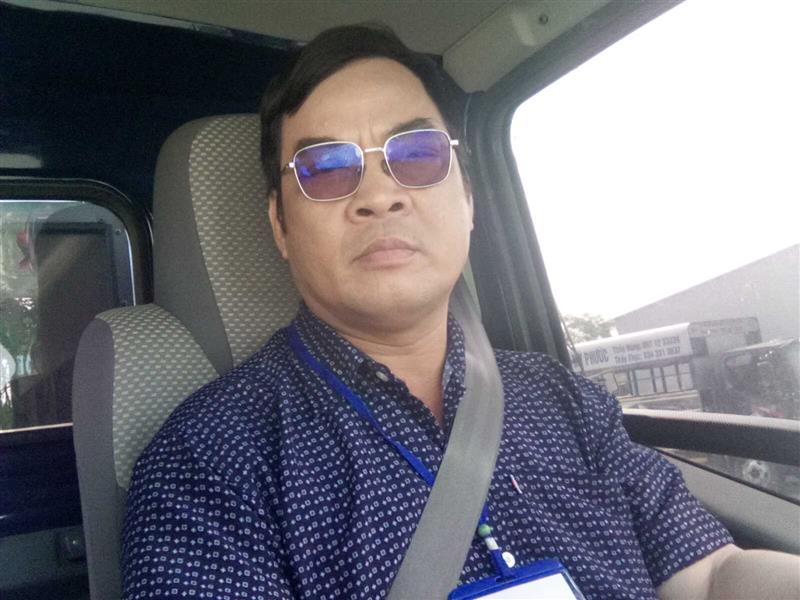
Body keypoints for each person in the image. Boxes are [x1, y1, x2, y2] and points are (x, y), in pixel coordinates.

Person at [122, 24, 800, 600]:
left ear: (468, 200)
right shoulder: (209, 460)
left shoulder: (562, 399)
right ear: (280, 225)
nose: (380, 195)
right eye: (326, 168)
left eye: (416, 155)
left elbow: (710, 576)